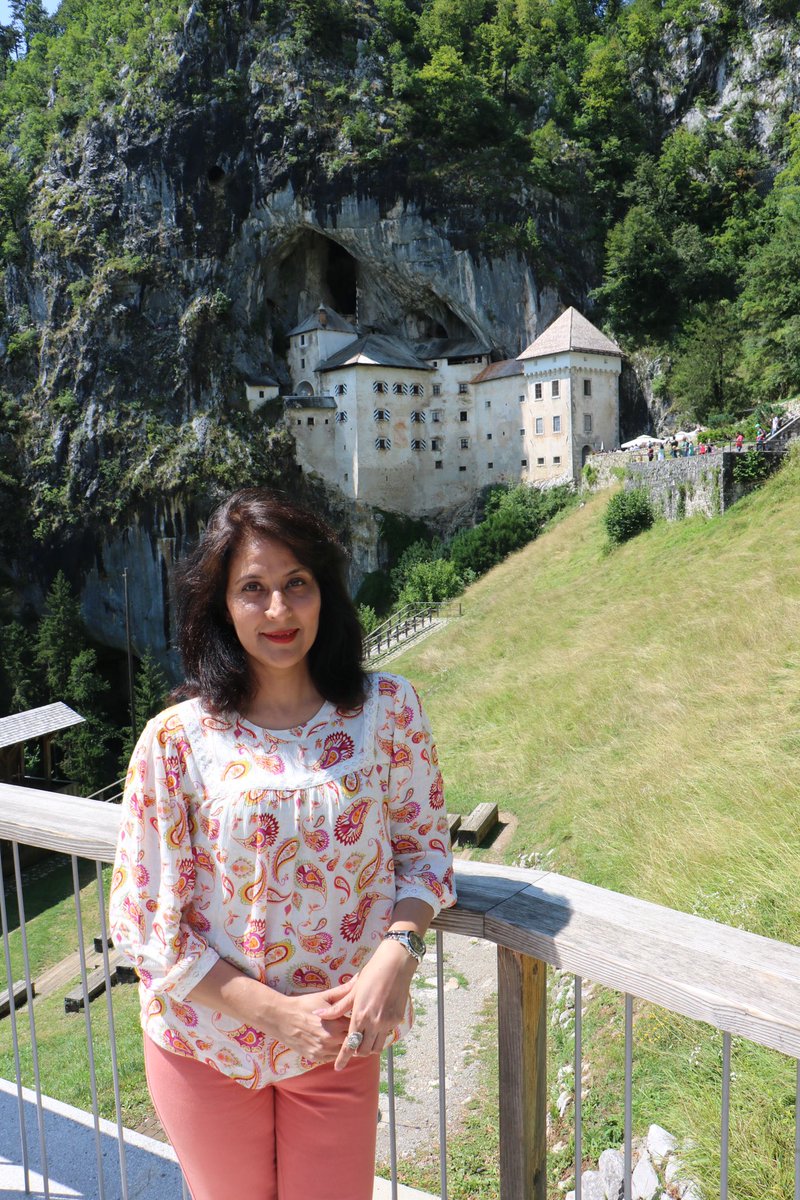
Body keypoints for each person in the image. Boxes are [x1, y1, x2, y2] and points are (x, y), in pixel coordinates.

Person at [109, 489, 456, 1200]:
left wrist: (400, 949)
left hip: (336, 1043)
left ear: (324, 592)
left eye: (297, 584)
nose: (278, 611)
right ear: (221, 606)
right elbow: (145, 925)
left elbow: (425, 853)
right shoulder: (177, 740)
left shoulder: (387, 710)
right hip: (205, 1045)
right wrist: (276, 1016)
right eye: (253, 589)